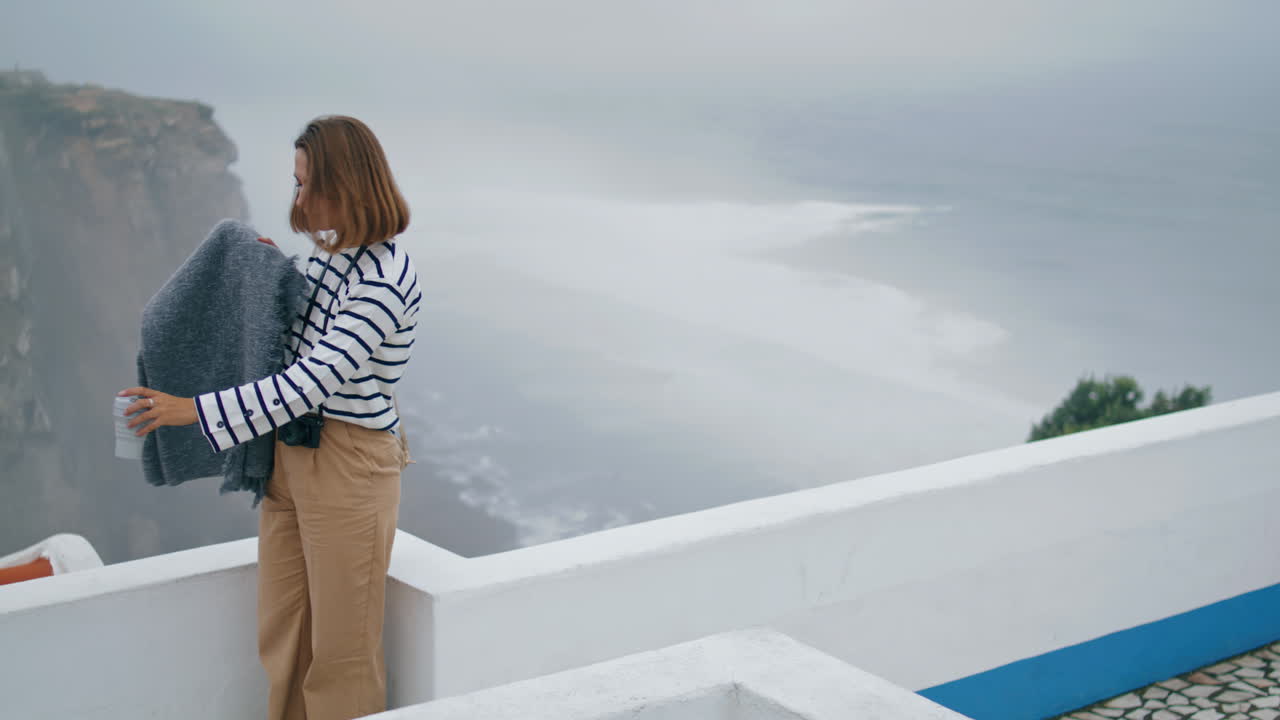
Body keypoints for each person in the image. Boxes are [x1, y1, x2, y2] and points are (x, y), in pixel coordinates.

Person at [118, 115, 421, 720]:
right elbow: (294, 333)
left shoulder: (386, 280)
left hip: (349, 465)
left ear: (348, 186)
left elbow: (310, 381)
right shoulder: (327, 258)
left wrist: (192, 411)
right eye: (295, 183)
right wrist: (265, 270)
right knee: (283, 637)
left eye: (307, 185)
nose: (298, 199)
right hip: (292, 456)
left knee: (340, 657)